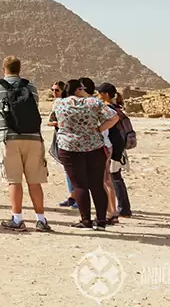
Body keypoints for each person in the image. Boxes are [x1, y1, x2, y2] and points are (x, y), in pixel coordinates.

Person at [0, 56, 52, 232]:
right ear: (20, 68)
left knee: (14, 181)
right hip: (32, 137)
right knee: (35, 181)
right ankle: (41, 220)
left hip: (8, 137)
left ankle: (17, 219)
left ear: (3, 69)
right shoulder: (30, 87)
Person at [54, 79, 120, 229]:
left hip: (70, 148)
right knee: (97, 185)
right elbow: (114, 116)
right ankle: (101, 221)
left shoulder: (59, 103)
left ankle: (86, 220)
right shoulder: (93, 103)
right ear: (79, 89)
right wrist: (99, 129)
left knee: (79, 186)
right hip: (94, 148)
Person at [96, 83, 131, 221]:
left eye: (99, 92)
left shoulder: (108, 108)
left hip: (112, 146)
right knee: (115, 178)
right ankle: (123, 208)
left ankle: (120, 210)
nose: (97, 94)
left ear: (105, 94)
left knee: (111, 179)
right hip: (118, 145)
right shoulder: (116, 107)